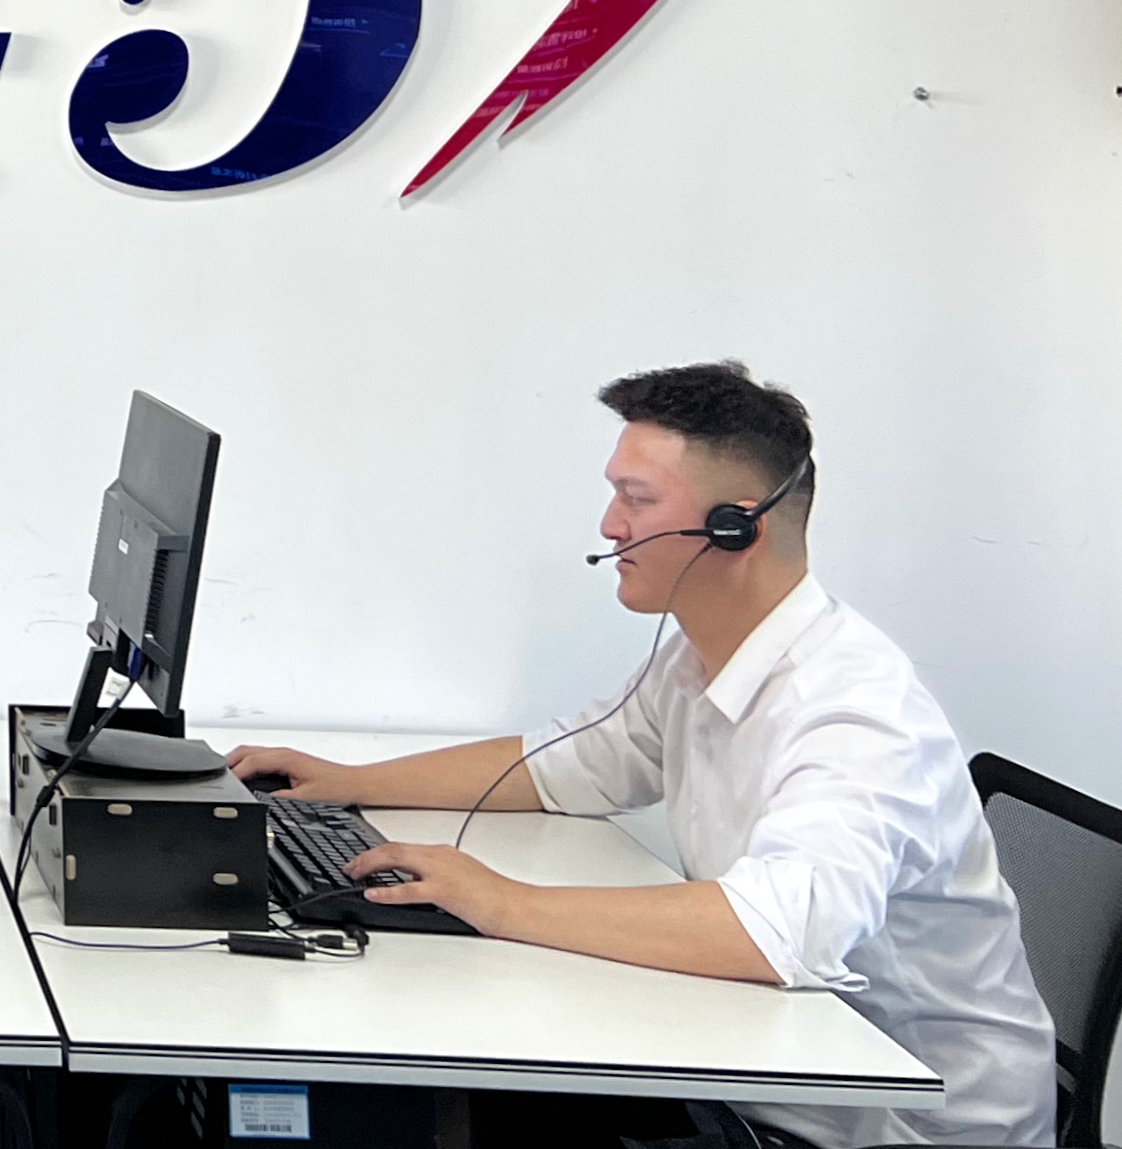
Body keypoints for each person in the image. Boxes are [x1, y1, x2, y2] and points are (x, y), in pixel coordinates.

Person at [227, 363, 1054, 1149]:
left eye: (635, 498)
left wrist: (498, 901)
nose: (609, 526)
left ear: (733, 527)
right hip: (772, 1079)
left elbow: (772, 934)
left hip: (892, 1127)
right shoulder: (702, 659)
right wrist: (346, 783)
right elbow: (567, 764)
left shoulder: (855, 716)